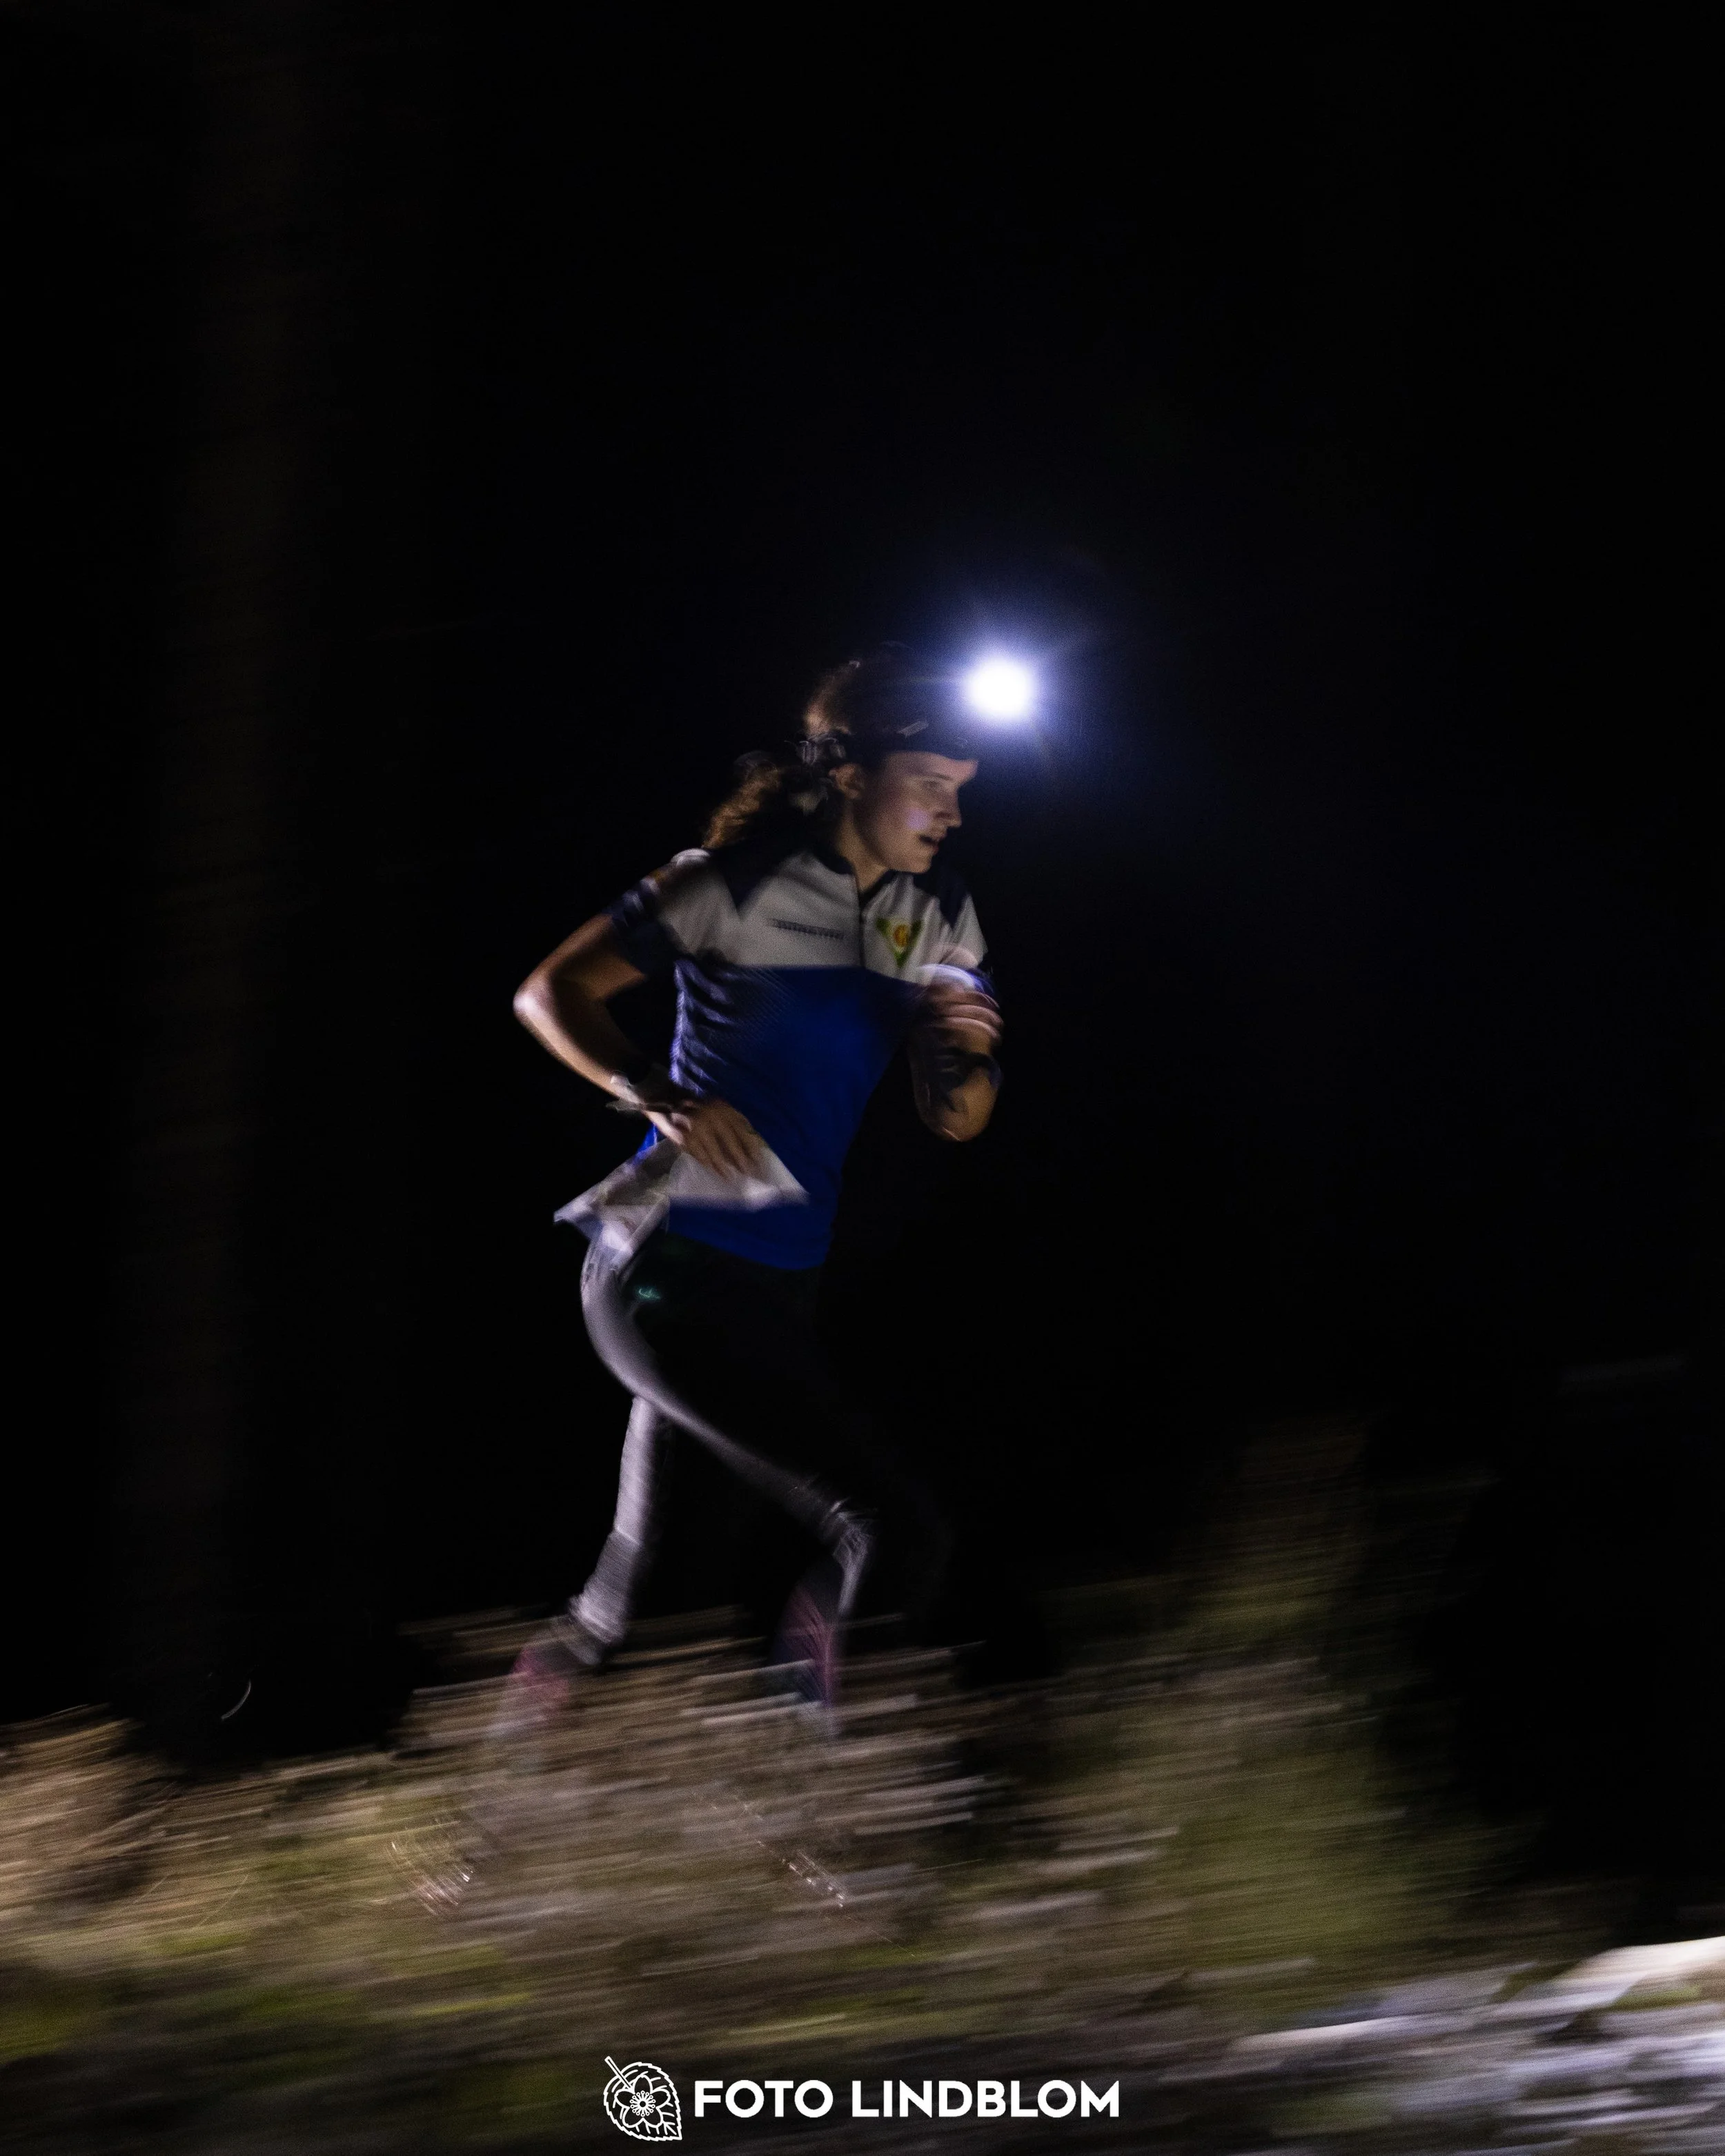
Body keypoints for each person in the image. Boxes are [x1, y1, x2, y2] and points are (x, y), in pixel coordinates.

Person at [499, 646, 1002, 1730]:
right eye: (932, 785)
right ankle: (815, 1827)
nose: (951, 814)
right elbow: (550, 992)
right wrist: (656, 1092)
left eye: (962, 791)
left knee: (628, 1605)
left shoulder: (940, 914)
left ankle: (466, 1858)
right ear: (853, 775)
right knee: (894, 1530)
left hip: (778, 1290)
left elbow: (960, 1117)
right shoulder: (728, 883)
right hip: (666, 1269)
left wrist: (949, 1041)